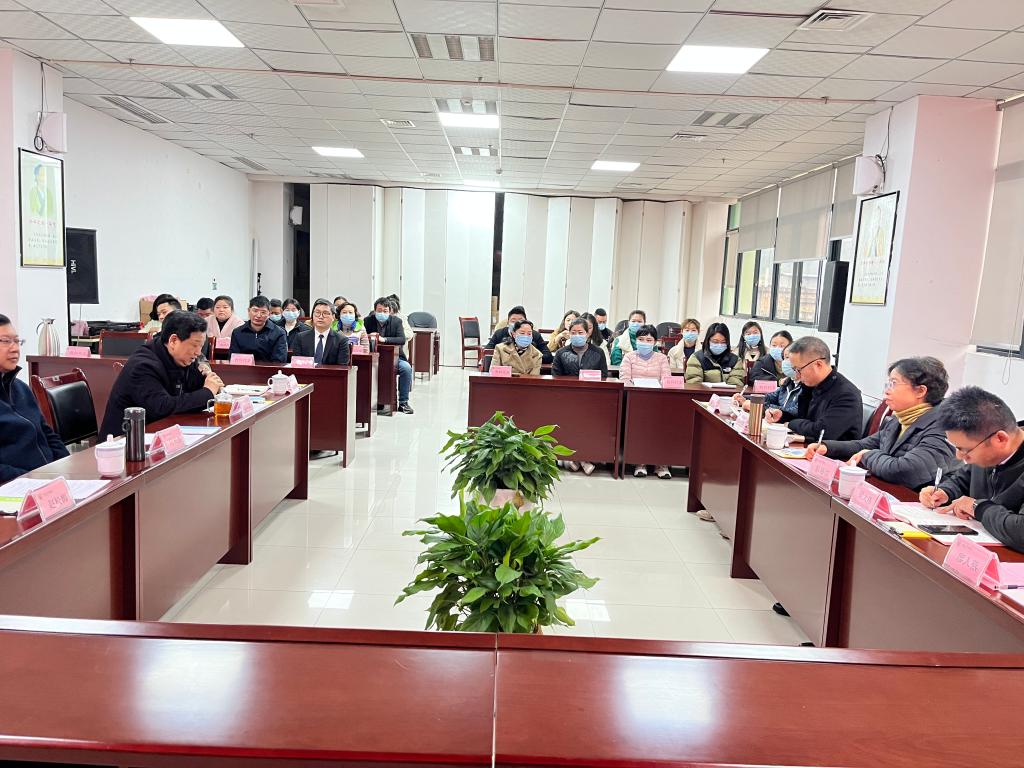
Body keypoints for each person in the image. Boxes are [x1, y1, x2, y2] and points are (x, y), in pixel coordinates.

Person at [804, 357, 958, 490]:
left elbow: (904, 471)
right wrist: (827, 447)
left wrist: (868, 455)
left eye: (894, 383)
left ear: (920, 391)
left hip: (919, 504)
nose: (887, 391)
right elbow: (867, 444)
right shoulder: (901, 418)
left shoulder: (944, 428)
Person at [920, 387, 1024, 551]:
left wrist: (978, 508)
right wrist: (945, 492)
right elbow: (963, 480)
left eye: (965, 449)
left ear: (1000, 439)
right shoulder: (986, 449)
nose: (959, 456)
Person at [99, 311, 224, 438]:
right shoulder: (142, 365)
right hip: (126, 441)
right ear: (173, 341)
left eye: (201, 346)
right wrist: (208, 392)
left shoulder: (183, 357)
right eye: (194, 345)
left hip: (162, 434)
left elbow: (195, 387)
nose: (198, 352)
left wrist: (211, 384)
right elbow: (162, 407)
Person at [0, 314, 69, 482]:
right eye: (6, 341)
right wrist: (31, 480)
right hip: (16, 486)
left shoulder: (21, 388)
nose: (15, 348)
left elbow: (48, 434)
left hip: (47, 480)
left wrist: (68, 467)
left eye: (17, 341)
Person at [768, 336, 861, 441]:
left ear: (818, 365)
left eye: (799, 370)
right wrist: (782, 416)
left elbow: (822, 432)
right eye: (794, 370)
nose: (797, 375)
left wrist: (791, 423)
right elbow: (803, 418)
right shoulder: (810, 385)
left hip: (831, 450)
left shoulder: (846, 394)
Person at [620, 324, 672, 479]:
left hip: (658, 402)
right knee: (638, 427)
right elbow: (624, 379)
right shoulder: (629, 357)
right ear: (636, 340)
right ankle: (640, 462)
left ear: (655, 342)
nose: (644, 342)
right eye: (641, 339)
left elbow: (667, 379)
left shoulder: (662, 358)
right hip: (635, 401)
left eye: (649, 340)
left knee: (662, 428)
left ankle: (661, 464)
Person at [364, 297, 413, 414]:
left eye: (385, 311)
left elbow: (401, 339)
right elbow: (362, 336)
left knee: (406, 368)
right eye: (379, 310)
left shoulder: (396, 321)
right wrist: (369, 337)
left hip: (394, 357)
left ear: (389, 311)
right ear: (375, 310)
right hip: (374, 357)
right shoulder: (368, 321)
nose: (382, 313)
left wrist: (384, 339)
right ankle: (374, 401)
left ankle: (403, 403)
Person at [734, 347, 801, 417]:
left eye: (789, 358)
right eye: (784, 358)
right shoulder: (788, 382)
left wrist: (759, 407)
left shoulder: (806, 385)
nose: (785, 362)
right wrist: (744, 398)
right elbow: (770, 397)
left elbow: (794, 412)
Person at [229, 295, 288, 364]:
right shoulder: (237, 332)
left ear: (269, 313)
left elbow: (279, 361)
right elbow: (233, 358)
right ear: (248, 311)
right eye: (255, 311)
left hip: (269, 370)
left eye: (263, 312)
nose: (258, 315)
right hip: (244, 369)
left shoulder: (279, 333)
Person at [685, 323, 745, 387]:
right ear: (708, 341)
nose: (719, 345)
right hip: (704, 393)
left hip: (728, 393)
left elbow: (736, 385)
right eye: (715, 342)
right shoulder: (697, 358)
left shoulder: (735, 360)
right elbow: (694, 384)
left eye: (723, 342)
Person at [293, 299, 350, 366]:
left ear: (333, 317)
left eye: (325, 313)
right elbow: (297, 365)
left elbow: (342, 367)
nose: (320, 317)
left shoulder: (341, 340)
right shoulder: (300, 338)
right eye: (317, 313)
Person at [485, 306, 552, 363]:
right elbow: (487, 353)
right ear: (508, 323)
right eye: (513, 321)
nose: (517, 324)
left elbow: (548, 356)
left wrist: (528, 359)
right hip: (505, 368)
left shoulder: (534, 335)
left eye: (520, 321)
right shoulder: (499, 333)